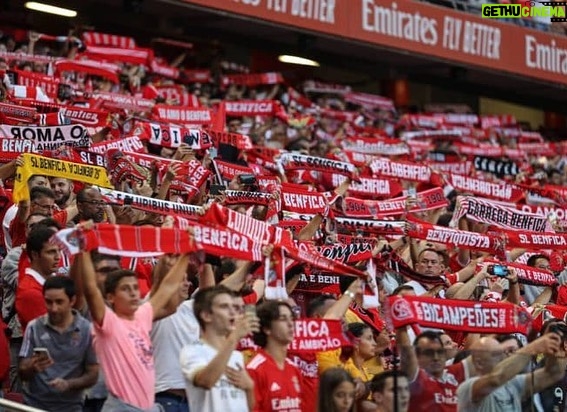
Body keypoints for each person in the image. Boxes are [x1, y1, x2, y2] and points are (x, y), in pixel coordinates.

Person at [78, 248, 190, 411]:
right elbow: (90, 289)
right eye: (125, 289)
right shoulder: (108, 322)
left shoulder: (142, 316)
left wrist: (186, 253)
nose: (133, 293)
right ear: (110, 297)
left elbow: (168, 286)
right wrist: (84, 250)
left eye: (135, 288)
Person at [18, 276, 98, 411]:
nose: (54, 308)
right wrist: (32, 367)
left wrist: (69, 384)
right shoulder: (34, 327)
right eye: (49, 302)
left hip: (71, 407)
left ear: (72, 300)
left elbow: (93, 374)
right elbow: (22, 370)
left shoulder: (87, 330)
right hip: (34, 406)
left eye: (59, 302)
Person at [180, 285, 258, 412]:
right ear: (206, 316)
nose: (233, 312)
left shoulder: (236, 355)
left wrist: (249, 387)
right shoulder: (192, 351)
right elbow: (206, 381)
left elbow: (249, 407)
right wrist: (234, 338)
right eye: (224, 306)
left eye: (234, 307)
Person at [457, 333, 566, 411]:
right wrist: (531, 348)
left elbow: (553, 374)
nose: (503, 357)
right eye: (496, 354)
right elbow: (495, 379)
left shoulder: (512, 384)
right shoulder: (467, 387)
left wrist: (556, 354)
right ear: (479, 363)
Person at [246, 300, 303, 412]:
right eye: (283, 319)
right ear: (266, 328)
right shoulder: (255, 370)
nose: (291, 324)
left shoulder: (294, 369)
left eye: (292, 318)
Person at [15, 227, 60, 331]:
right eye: (51, 252)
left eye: (59, 251)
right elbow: (54, 331)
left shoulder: (54, 278)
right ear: (35, 255)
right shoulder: (29, 292)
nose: (58, 257)